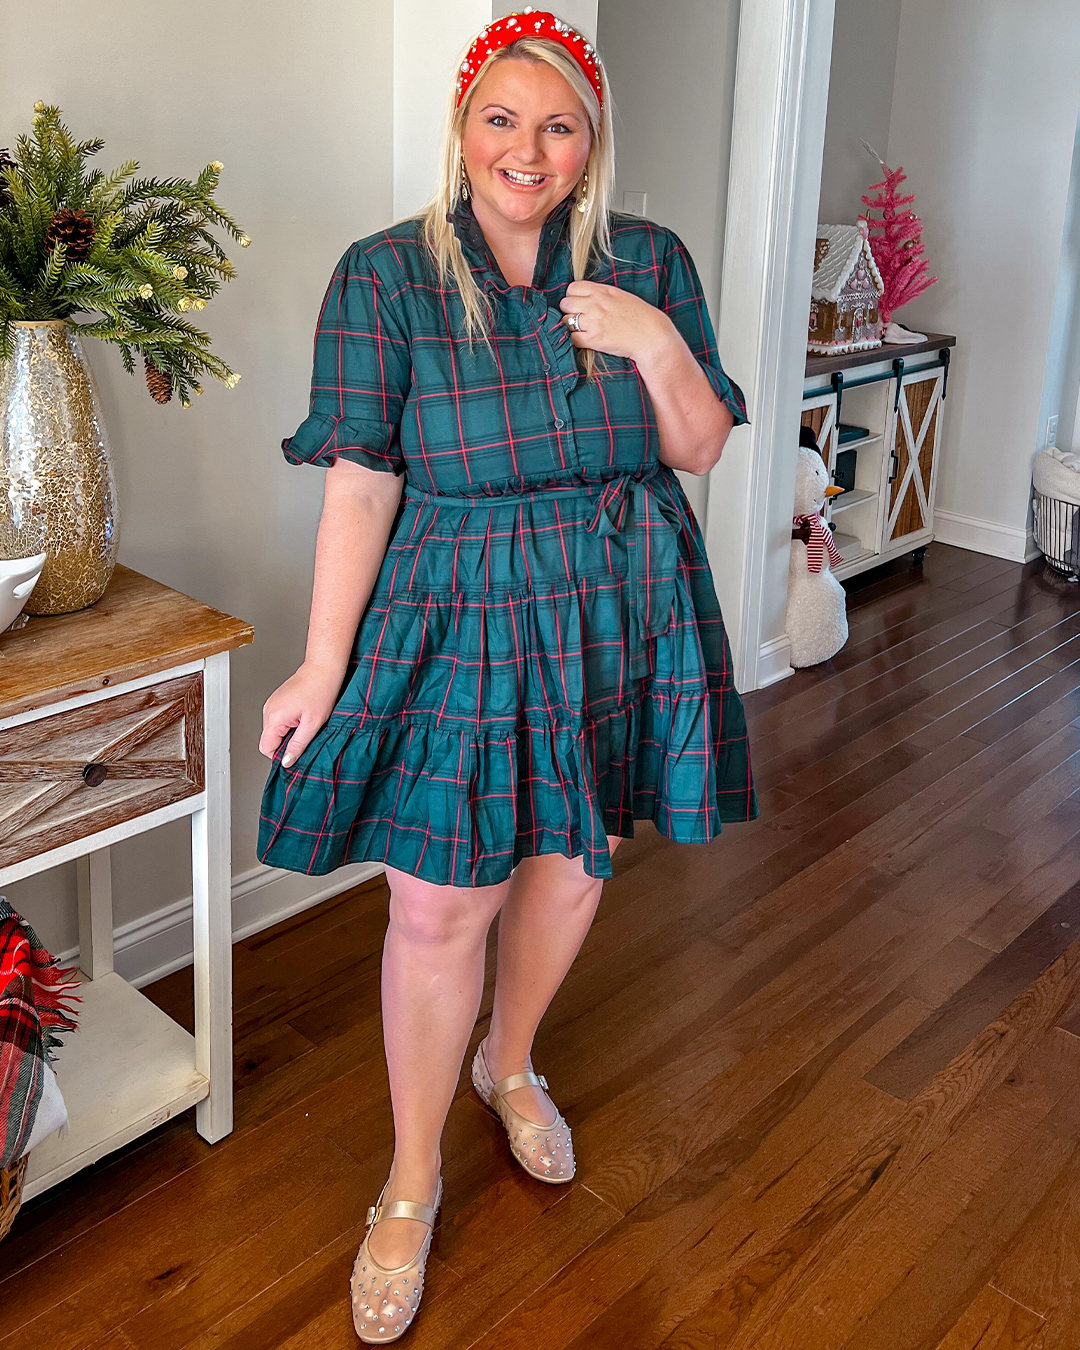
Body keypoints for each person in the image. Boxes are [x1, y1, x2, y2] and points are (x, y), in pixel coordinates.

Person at [257, 10, 757, 1342]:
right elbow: (363, 482)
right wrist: (320, 663)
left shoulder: (650, 261)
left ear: (592, 143)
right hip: (459, 609)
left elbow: (701, 445)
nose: (527, 149)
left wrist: (655, 342)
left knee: (575, 860)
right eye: (502, 119)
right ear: (463, 128)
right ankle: (411, 1181)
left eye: (559, 126)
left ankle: (510, 1058)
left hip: (618, 601)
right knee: (437, 908)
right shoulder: (386, 276)